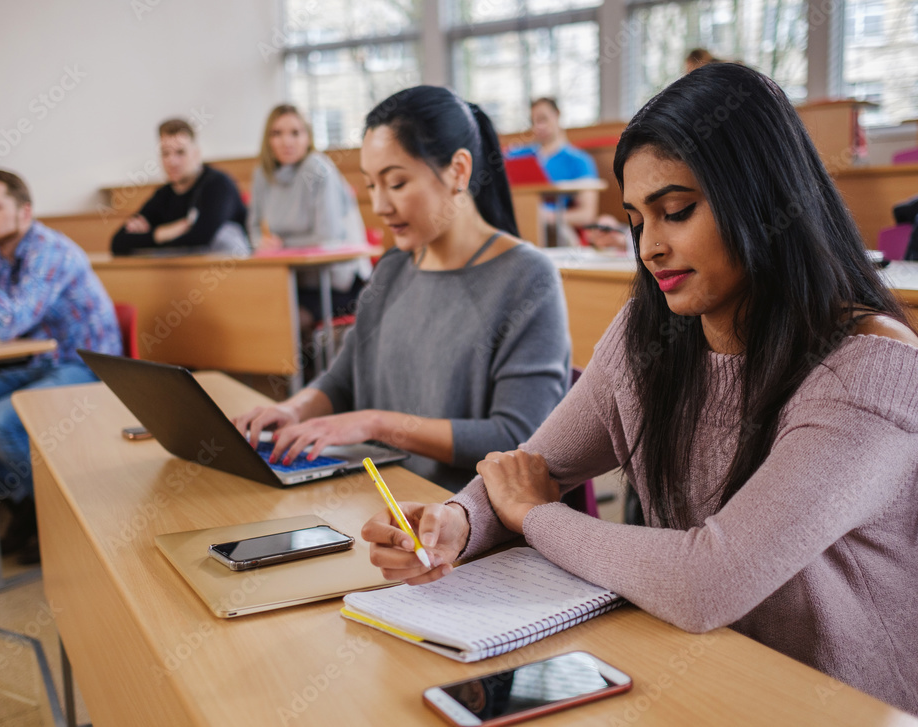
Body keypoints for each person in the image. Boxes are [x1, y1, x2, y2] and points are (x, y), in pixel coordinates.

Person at [362, 64, 918, 715]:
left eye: (675, 212)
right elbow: (532, 467)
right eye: (635, 220)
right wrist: (454, 521)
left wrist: (535, 517)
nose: (650, 247)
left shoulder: (869, 366)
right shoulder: (650, 332)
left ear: (762, 199)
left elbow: (710, 578)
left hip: (837, 705)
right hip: (697, 678)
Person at [234, 86, 571, 493]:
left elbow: (516, 439)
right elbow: (341, 380)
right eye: (371, 186)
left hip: (461, 525)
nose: (379, 206)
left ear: (459, 171)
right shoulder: (393, 267)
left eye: (395, 183)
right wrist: (291, 410)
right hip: (376, 502)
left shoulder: (527, 278)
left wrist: (378, 423)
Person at [0, 169, 123, 564]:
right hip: (42, 364)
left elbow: (8, 323)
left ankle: (55, 518)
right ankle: (26, 503)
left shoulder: (50, 251)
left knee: (0, 420)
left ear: (24, 212)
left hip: (89, 367)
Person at [247, 104, 371, 329]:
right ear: (268, 139)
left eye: (295, 133)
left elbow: (327, 238)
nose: (287, 141)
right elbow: (254, 226)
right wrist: (260, 242)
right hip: (291, 278)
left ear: (308, 137)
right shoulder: (262, 175)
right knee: (253, 309)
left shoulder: (318, 169)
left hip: (336, 282)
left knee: (284, 320)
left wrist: (280, 247)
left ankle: (295, 365)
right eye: (277, 133)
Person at [111, 118, 249, 256]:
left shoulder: (218, 185)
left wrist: (149, 239)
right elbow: (118, 242)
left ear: (196, 154)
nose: (172, 161)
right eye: (165, 153)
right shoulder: (163, 195)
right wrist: (163, 232)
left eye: (180, 152)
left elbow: (201, 238)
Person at [507, 97, 627, 250]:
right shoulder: (518, 157)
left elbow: (587, 214)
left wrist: (547, 217)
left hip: (553, 232)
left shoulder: (578, 160)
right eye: (533, 121)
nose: (538, 126)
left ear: (557, 115)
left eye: (543, 119)